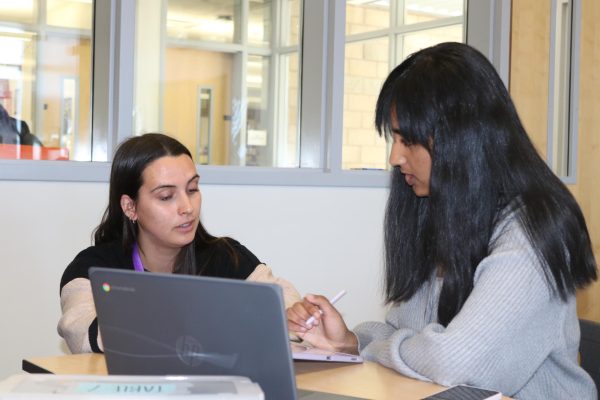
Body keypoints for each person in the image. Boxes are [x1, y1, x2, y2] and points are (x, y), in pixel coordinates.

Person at [286, 42, 598, 400]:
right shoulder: (449, 211)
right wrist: (349, 341)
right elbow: (410, 332)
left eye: (409, 140)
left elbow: (455, 361)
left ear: (462, 138)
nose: (395, 156)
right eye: (394, 138)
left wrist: (373, 349)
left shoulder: (533, 230)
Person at [58, 133, 300, 353]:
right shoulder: (95, 268)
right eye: (166, 196)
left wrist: (309, 320)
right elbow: (79, 333)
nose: (187, 208)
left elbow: (285, 310)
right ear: (130, 206)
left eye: (192, 189)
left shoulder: (227, 257)